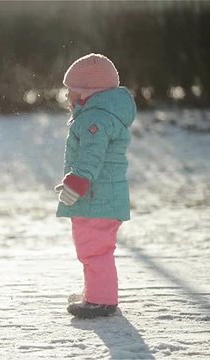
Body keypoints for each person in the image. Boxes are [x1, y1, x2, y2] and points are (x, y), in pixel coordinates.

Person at [54, 53, 136, 319]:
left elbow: (92, 156)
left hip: (96, 198)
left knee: (94, 249)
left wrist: (76, 183)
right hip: (98, 197)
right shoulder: (96, 115)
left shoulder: (95, 120)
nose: (68, 98)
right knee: (92, 247)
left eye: (72, 92)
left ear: (87, 93)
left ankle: (101, 300)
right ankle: (96, 293)